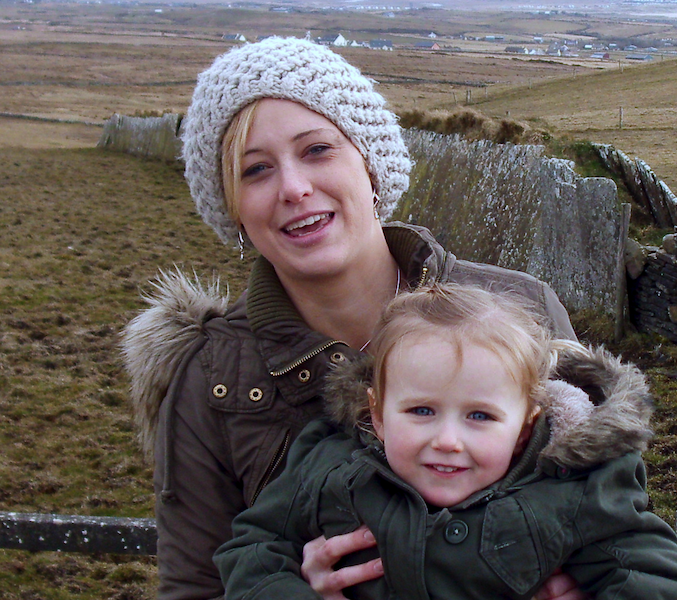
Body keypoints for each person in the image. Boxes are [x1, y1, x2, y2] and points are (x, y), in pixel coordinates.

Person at [120, 37, 586, 600]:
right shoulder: (209, 377)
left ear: (370, 162)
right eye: (256, 170)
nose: (293, 188)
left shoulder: (525, 310)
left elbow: (611, 524)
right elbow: (195, 587)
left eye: (317, 150)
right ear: (233, 210)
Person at [216, 284, 677, 599]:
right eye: (421, 411)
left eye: (480, 416)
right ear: (378, 415)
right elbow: (254, 548)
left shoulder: (573, 489)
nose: (447, 440)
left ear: (525, 425)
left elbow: (655, 579)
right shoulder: (329, 466)